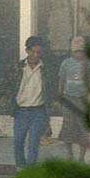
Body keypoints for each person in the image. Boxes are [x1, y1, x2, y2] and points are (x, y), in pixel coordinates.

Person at [11, 35, 52, 168]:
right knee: (18, 141)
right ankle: (20, 168)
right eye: (33, 52)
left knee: (33, 143)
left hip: (38, 111)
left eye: (38, 52)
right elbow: (7, 85)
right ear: (27, 51)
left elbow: (51, 89)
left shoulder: (46, 69)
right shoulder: (17, 67)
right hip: (21, 110)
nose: (35, 55)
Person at [58, 36, 90, 162]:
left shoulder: (89, 64)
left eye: (81, 51)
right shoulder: (66, 63)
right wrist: (60, 98)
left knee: (83, 128)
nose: (78, 54)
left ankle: (81, 157)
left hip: (84, 100)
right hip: (68, 99)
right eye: (76, 51)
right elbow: (61, 81)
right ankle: (69, 154)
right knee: (68, 127)